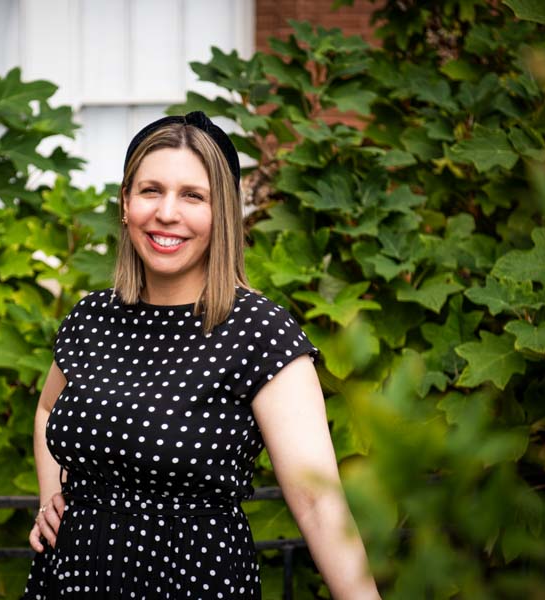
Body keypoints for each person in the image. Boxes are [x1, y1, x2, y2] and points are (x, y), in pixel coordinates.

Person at [23, 111, 380, 599]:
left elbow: (319, 502)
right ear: (126, 203)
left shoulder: (258, 332)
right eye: (151, 190)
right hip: (70, 581)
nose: (167, 212)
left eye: (193, 196)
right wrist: (50, 498)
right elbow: (47, 410)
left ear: (223, 214)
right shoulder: (91, 319)